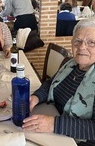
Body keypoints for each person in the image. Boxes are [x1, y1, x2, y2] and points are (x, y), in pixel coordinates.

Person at [23, 18, 95, 146]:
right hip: (52, 123)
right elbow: (50, 83)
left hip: (77, 141)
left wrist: (54, 124)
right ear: (72, 43)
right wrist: (36, 97)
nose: (82, 47)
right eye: (78, 41)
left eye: (91, 42)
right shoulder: (70, 64)